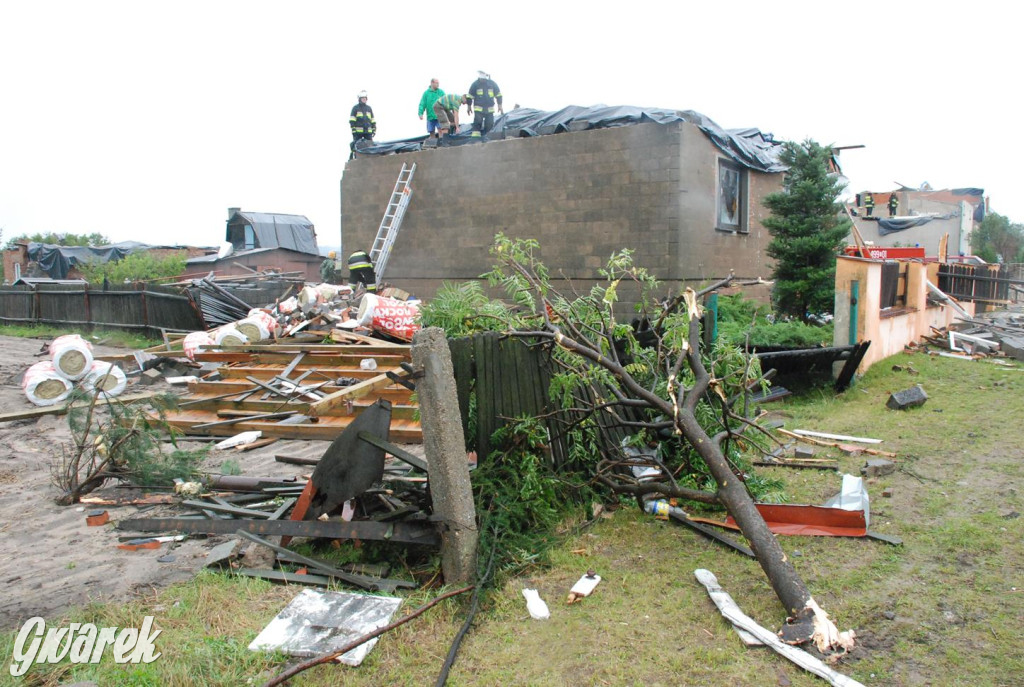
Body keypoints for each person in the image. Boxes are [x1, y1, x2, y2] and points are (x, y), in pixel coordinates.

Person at [466, 71, 503, 138]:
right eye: (481, 79)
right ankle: (476, 139)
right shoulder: (475, 84)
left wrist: (500, 105)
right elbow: (469, 96)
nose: (483, 80)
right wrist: (469, 107)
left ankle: (487, 138)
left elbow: (498, 95)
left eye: (484, 79)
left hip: (489, 109)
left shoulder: (492, 84)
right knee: (477, 123)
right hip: (478, 108)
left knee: (489, 124)